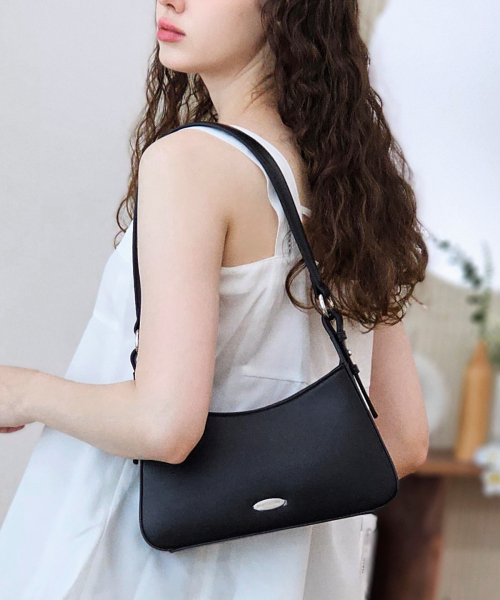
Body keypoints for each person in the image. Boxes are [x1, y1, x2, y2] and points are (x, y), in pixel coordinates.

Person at [0, 1, 429, 598]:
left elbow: (164, 425)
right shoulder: (351, 182)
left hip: (143, 570)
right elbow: (402, 438)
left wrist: (21, 391)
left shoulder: (192, 164)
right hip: (290, 578)